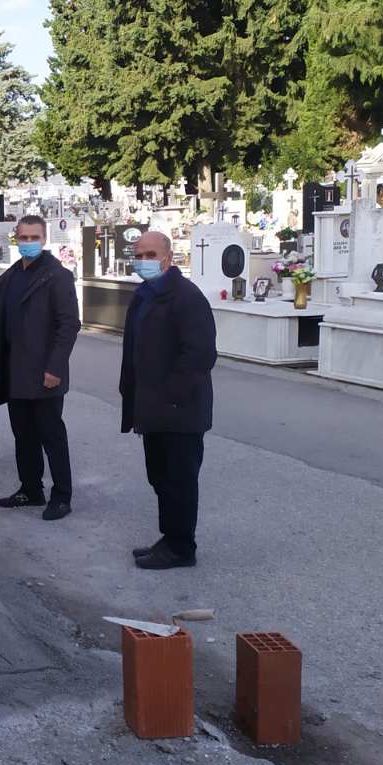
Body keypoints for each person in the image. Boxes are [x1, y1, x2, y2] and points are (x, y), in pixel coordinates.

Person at [119, 231, 217, 570]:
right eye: (138, 254)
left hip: (179, 410)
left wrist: (172, 396)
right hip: (153, 408)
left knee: (179, 480)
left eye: (150, 254)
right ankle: (169, 538)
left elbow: (200, 355)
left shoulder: (186, 297)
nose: (143, 260)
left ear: (168, 258)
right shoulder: (145, 295)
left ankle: (181, 548)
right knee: (160, 477)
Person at [0, 215, 80, 521]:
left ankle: (61, 497)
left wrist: (55, 368)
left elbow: (69, 325)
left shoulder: (57, 276)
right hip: (15, 371)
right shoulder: (11, 276)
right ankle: (30, 489)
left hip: (44, 372)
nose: (28, 243)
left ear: (44, 239)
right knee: (23, 435)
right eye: (23, 238)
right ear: (16, 238)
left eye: (34, 237)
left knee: (51, 435)